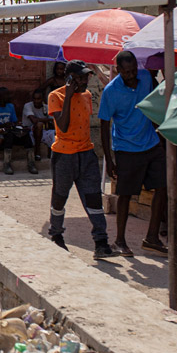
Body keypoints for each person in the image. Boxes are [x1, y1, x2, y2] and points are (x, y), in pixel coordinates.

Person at [98, 51, 177, 257]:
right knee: (125, 194)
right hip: (126, 148)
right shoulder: (110, 91)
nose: (131, 75)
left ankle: (152, 237)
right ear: (117, 70)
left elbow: (151, 105)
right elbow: (104, 126)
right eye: (126, 72)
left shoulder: (144, 77)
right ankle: (119, 240)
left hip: (151, 143)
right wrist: (109, 159)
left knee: (163, 187)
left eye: (133, 70)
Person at [47, 60, 117, 259]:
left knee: (93, 197)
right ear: (70, 79)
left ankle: (101, 241)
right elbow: (64, 126)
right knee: (60, 196)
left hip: (86, 153)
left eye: (86, 76)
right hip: (64, 155)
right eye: (80, 77)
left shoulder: (87, 95)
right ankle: (56, 234)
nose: (84, 81)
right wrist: (68, 97)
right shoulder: (56, 96)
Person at [0, 87, 38, 175]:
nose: (9, 96)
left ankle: (31, 163)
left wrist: (16, 125)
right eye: (6, 95)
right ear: (0, 97)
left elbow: (14, 121)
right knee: (9, 135)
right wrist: (4, 125)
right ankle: (7, 164)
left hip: (10, 130)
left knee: (26, 134)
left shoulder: (10, 106)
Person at [22, 88, 55, 162]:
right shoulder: (28, 106)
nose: (36, 101)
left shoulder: (46, 107)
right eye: (35, 99)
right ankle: (37, 150)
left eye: (38, 99)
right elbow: (34, 121)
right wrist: (47, 120)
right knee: (39, 125)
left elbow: (53, 120)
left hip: (43, 131)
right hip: (29, 131)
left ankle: (53, 154)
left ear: (42, 99)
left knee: (55, 133)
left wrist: (48, 121)